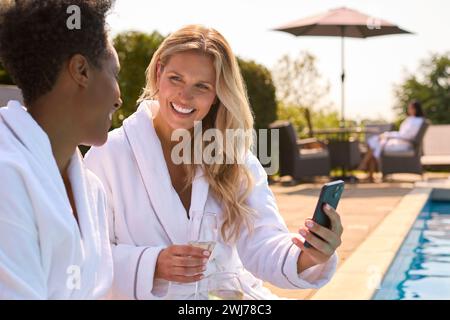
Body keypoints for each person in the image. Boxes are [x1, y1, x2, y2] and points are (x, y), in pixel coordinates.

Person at [85, 24, 343, 300]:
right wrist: (152, 264)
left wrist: (309, 256)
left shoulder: (235, 159)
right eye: (175, 78)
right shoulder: (109, 155)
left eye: (202, 86)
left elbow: (263, 243)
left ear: (217, 93)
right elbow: (85, 255)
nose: (185, 96)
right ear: (159, 72)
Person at [0, 0, 122, 299]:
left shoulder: (91, 189)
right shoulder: (5, 175)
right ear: (81, 70)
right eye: (114, 73)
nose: (119, 98)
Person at [358, 100, 425, 181]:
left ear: (415, 109)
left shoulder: (416, 121)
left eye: (410, 108)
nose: (408, 110)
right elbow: (402, 133)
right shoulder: (412, 120)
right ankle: (369, 173)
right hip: (400, 142)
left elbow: (405, 135)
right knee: (374, 144)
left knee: (374, 144)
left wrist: (387, 135)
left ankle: (364, 166)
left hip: (404, 145)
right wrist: (387, 135)